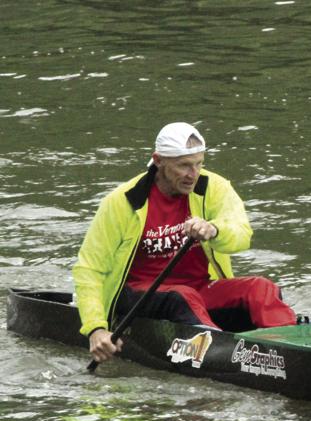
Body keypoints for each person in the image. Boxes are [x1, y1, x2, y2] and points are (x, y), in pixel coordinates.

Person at [73, 122, 297, 364]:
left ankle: (295, 349)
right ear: (158, 161)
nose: (194, 174)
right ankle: (225, 355)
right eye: (184, 166)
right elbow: (89, 269)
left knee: (260, 287)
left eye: (199, 163)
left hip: (199, 290)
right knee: (182, 296)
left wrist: (214, 230)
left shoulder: (214, 187)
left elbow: (242, 234)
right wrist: (96, 329)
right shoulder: (123, 201)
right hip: (138, 293)